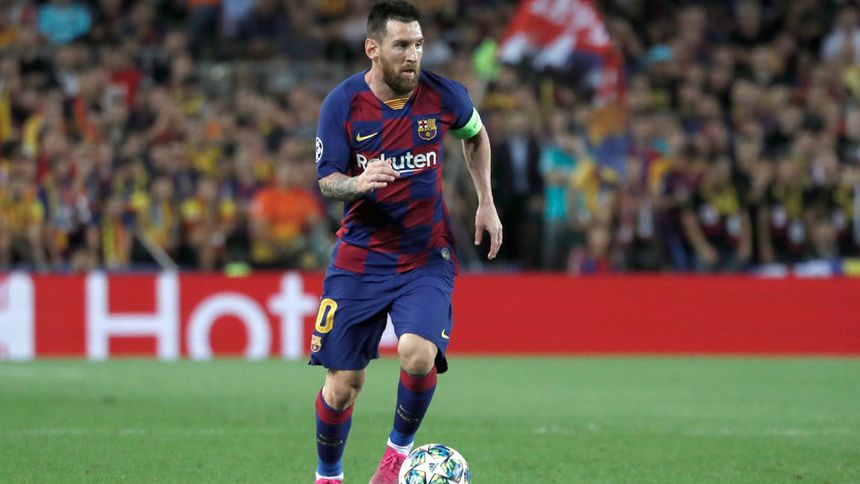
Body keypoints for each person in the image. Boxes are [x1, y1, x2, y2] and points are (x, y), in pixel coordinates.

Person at [310, 2, 502, 483]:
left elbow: (476, 135)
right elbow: (327, 180)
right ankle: (328, 476)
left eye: (418, 44)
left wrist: (486, 201)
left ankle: (396, 456)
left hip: (425, 254)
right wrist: (358, 182)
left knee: (418, 353)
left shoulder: (444, 94)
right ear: (372, 49)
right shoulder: (342, 104)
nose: (413, 55)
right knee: (343, 385)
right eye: (401, 45)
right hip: (361, 256)